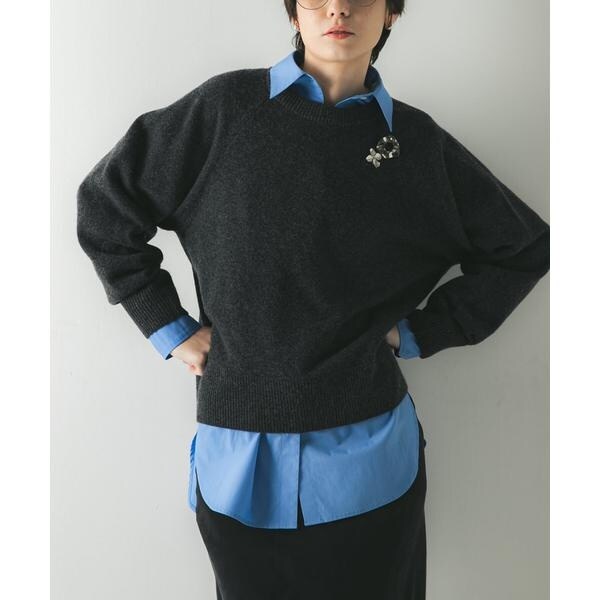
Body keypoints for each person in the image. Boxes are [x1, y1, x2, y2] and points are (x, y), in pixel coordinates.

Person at [76, 1, 550, 598]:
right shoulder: (223, 111)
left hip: (369, 463)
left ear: (391, 14)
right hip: (240, 462)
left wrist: (420, 331)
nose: (338, 7)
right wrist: (169, 327)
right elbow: (106, 207)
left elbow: (524, 247)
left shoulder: (415, 144)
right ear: (294, 13)